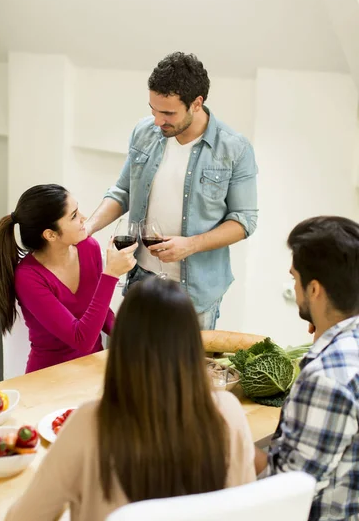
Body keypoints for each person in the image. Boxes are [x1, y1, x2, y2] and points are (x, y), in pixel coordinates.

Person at [3, 278, 256, 521]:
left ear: (121, 347)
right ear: (193, 346)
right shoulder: (228, 413)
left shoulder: (89, 424)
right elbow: (241, 519)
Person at [87, 52, 258, 330]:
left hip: (196, 294)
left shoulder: (234, 149)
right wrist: (88, 226)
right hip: (140, 279)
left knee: (185, 374)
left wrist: (190, 245)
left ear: (196, 103)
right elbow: (122, 191)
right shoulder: (143, 132)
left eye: (167, 113)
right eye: (154, 110)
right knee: (132, 369)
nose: (157, 121)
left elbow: (244, 221)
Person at [255, 216, 359, 521]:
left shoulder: (327, 377)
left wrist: (227, 436)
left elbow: (284, 489)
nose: (295, 287)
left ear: (314, 289)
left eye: (296, 279)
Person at [0, 184, 137, 373]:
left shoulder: (88, 247)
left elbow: (102, 313)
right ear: (50, 234)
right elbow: (81, 340)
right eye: (74, 216)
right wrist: (111, 275)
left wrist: (134, 342)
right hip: (50, 376)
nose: (84, 218)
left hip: (93, 367)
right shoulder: (28, 277)